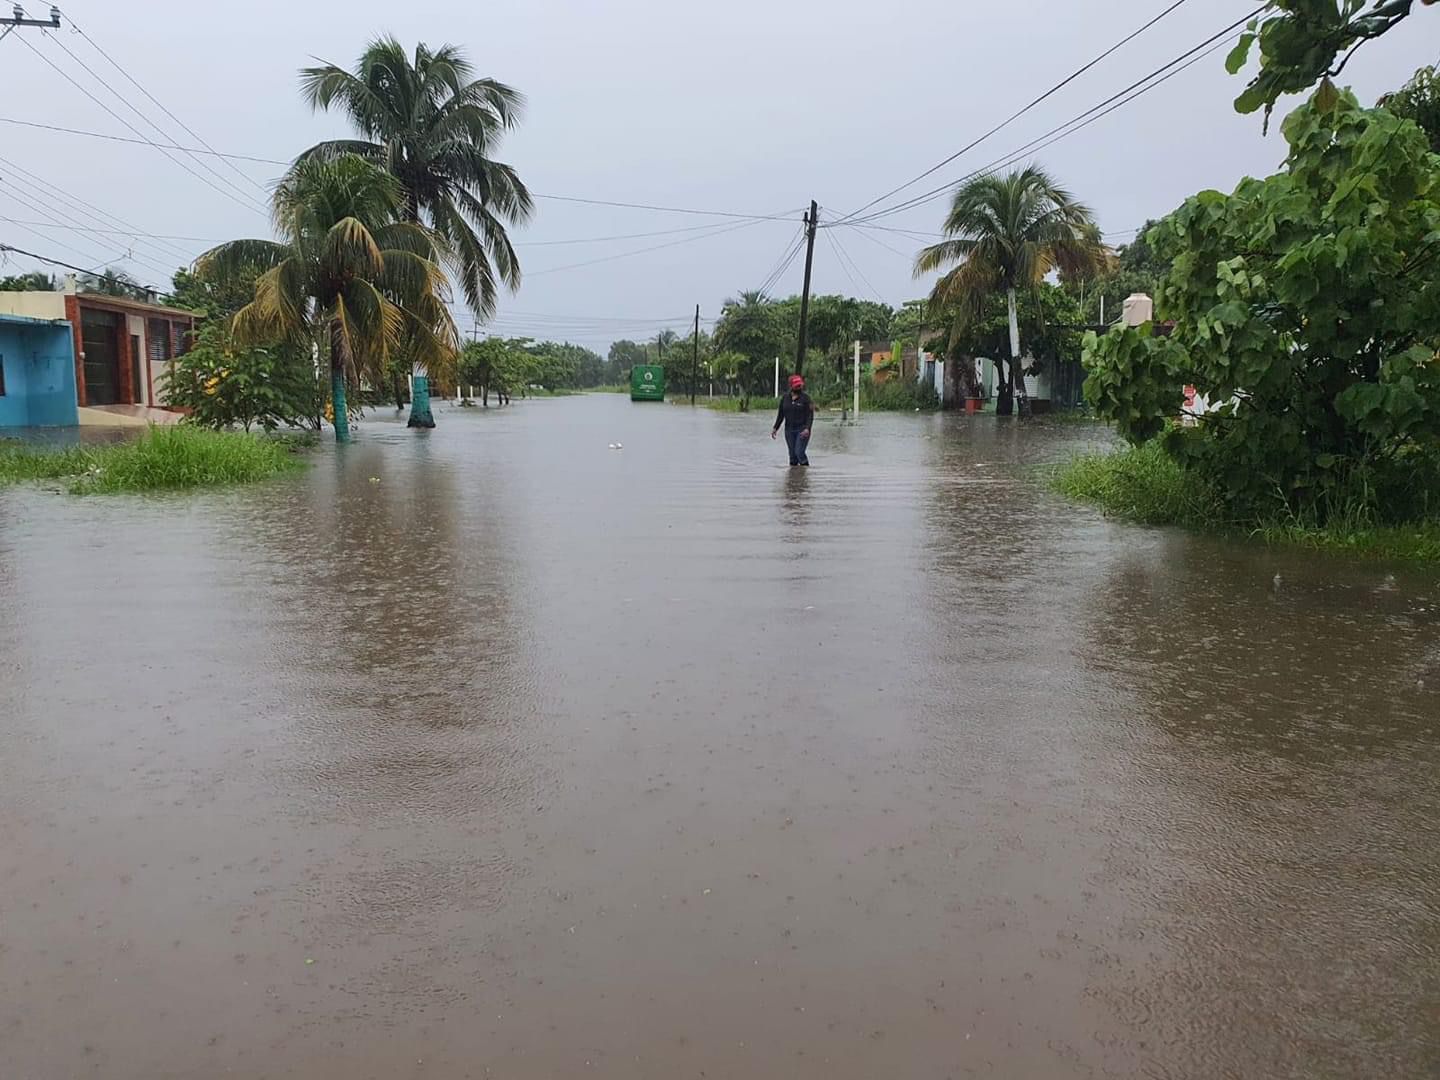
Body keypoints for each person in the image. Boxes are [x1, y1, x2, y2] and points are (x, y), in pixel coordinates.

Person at [772, 374, 814, 466]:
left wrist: (807, 428)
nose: (799, 387)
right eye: (797, 386)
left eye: (800, 385)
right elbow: (781, 415)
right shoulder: (785, 398)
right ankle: (793, 477)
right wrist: (775, 428)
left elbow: (810, 416)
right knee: (792, 455)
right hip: (789, 431)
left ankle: (805, 473)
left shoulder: (806, 398)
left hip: (802, 430)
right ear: (791, 386)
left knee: (799, 452)